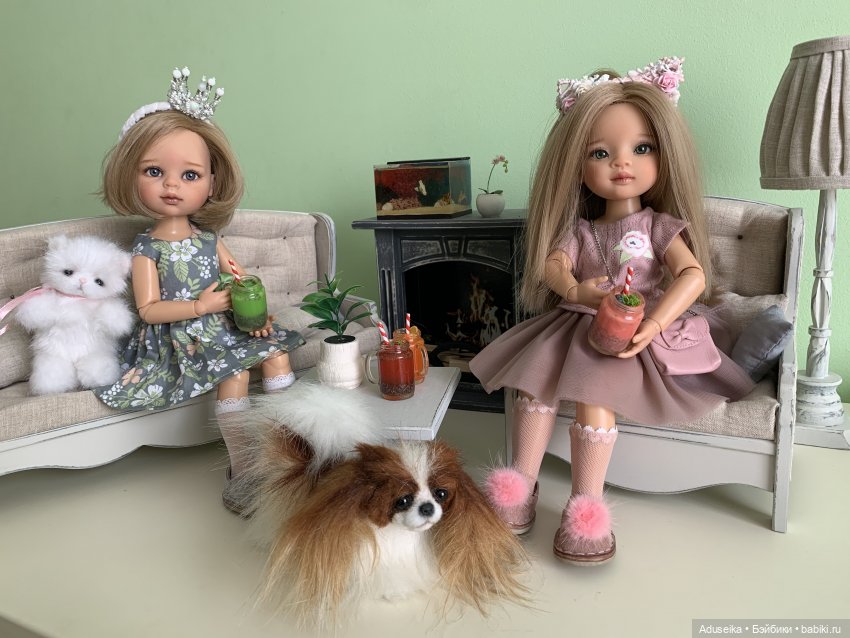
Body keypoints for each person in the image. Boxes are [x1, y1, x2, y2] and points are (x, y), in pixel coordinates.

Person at [469, 57, 754, 565]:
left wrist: (655, 321)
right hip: (574, 322)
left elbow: (693, 275)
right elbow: (553, 265)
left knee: (595, 396)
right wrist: (577, 292)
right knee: (533, 385)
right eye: (600, 153)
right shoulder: (580, 230)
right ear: (577, 166)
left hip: (631, 329)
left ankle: (586, 507)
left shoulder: (659, 226)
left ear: (663, 155)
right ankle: (519, 487)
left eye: (642, 148)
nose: (623, 163)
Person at [94, 67, 305, 514]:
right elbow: (148, 309)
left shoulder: (210, 240)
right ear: (131, 176)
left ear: (212, 183)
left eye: (190, 175)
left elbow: (242, 281)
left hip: (225, 327)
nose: (172, 185)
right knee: (236, 374)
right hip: (179, 338)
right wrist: (199, 305)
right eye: (155, 171)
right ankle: (244, 468)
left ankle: (287, 457)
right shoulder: (147, 248)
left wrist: (256, 316)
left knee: (276, 355)